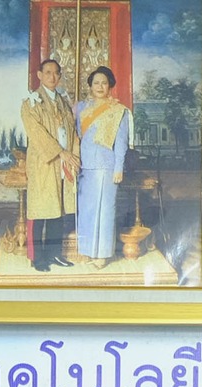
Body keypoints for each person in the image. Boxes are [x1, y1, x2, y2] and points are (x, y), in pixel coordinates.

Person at [21, 57, 79, 271]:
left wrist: (73, 155)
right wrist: (60, 152)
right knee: (39, 211)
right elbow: (37, 134)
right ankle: (37, 258)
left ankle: (55, 254)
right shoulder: (31, 102)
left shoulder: (63, 101)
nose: (52, 77)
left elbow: (72, 131)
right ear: (39, 75)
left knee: (58, 211)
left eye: (56, 73)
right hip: (44, 163)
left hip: (63, 164)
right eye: (47, 72)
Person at [74, 66, 132, 265]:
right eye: (96, 82)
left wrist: (119, 168)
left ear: (110, 86)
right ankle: (86, 251)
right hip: (84, 166)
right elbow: (74, 137)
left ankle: (102, 254)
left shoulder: (118, 111)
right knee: (87, 210)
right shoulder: (80, 108)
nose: (100, 86)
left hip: (107, 167)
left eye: (104, 83)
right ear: (90, 85)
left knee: (106, 209)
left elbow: (121, 142)